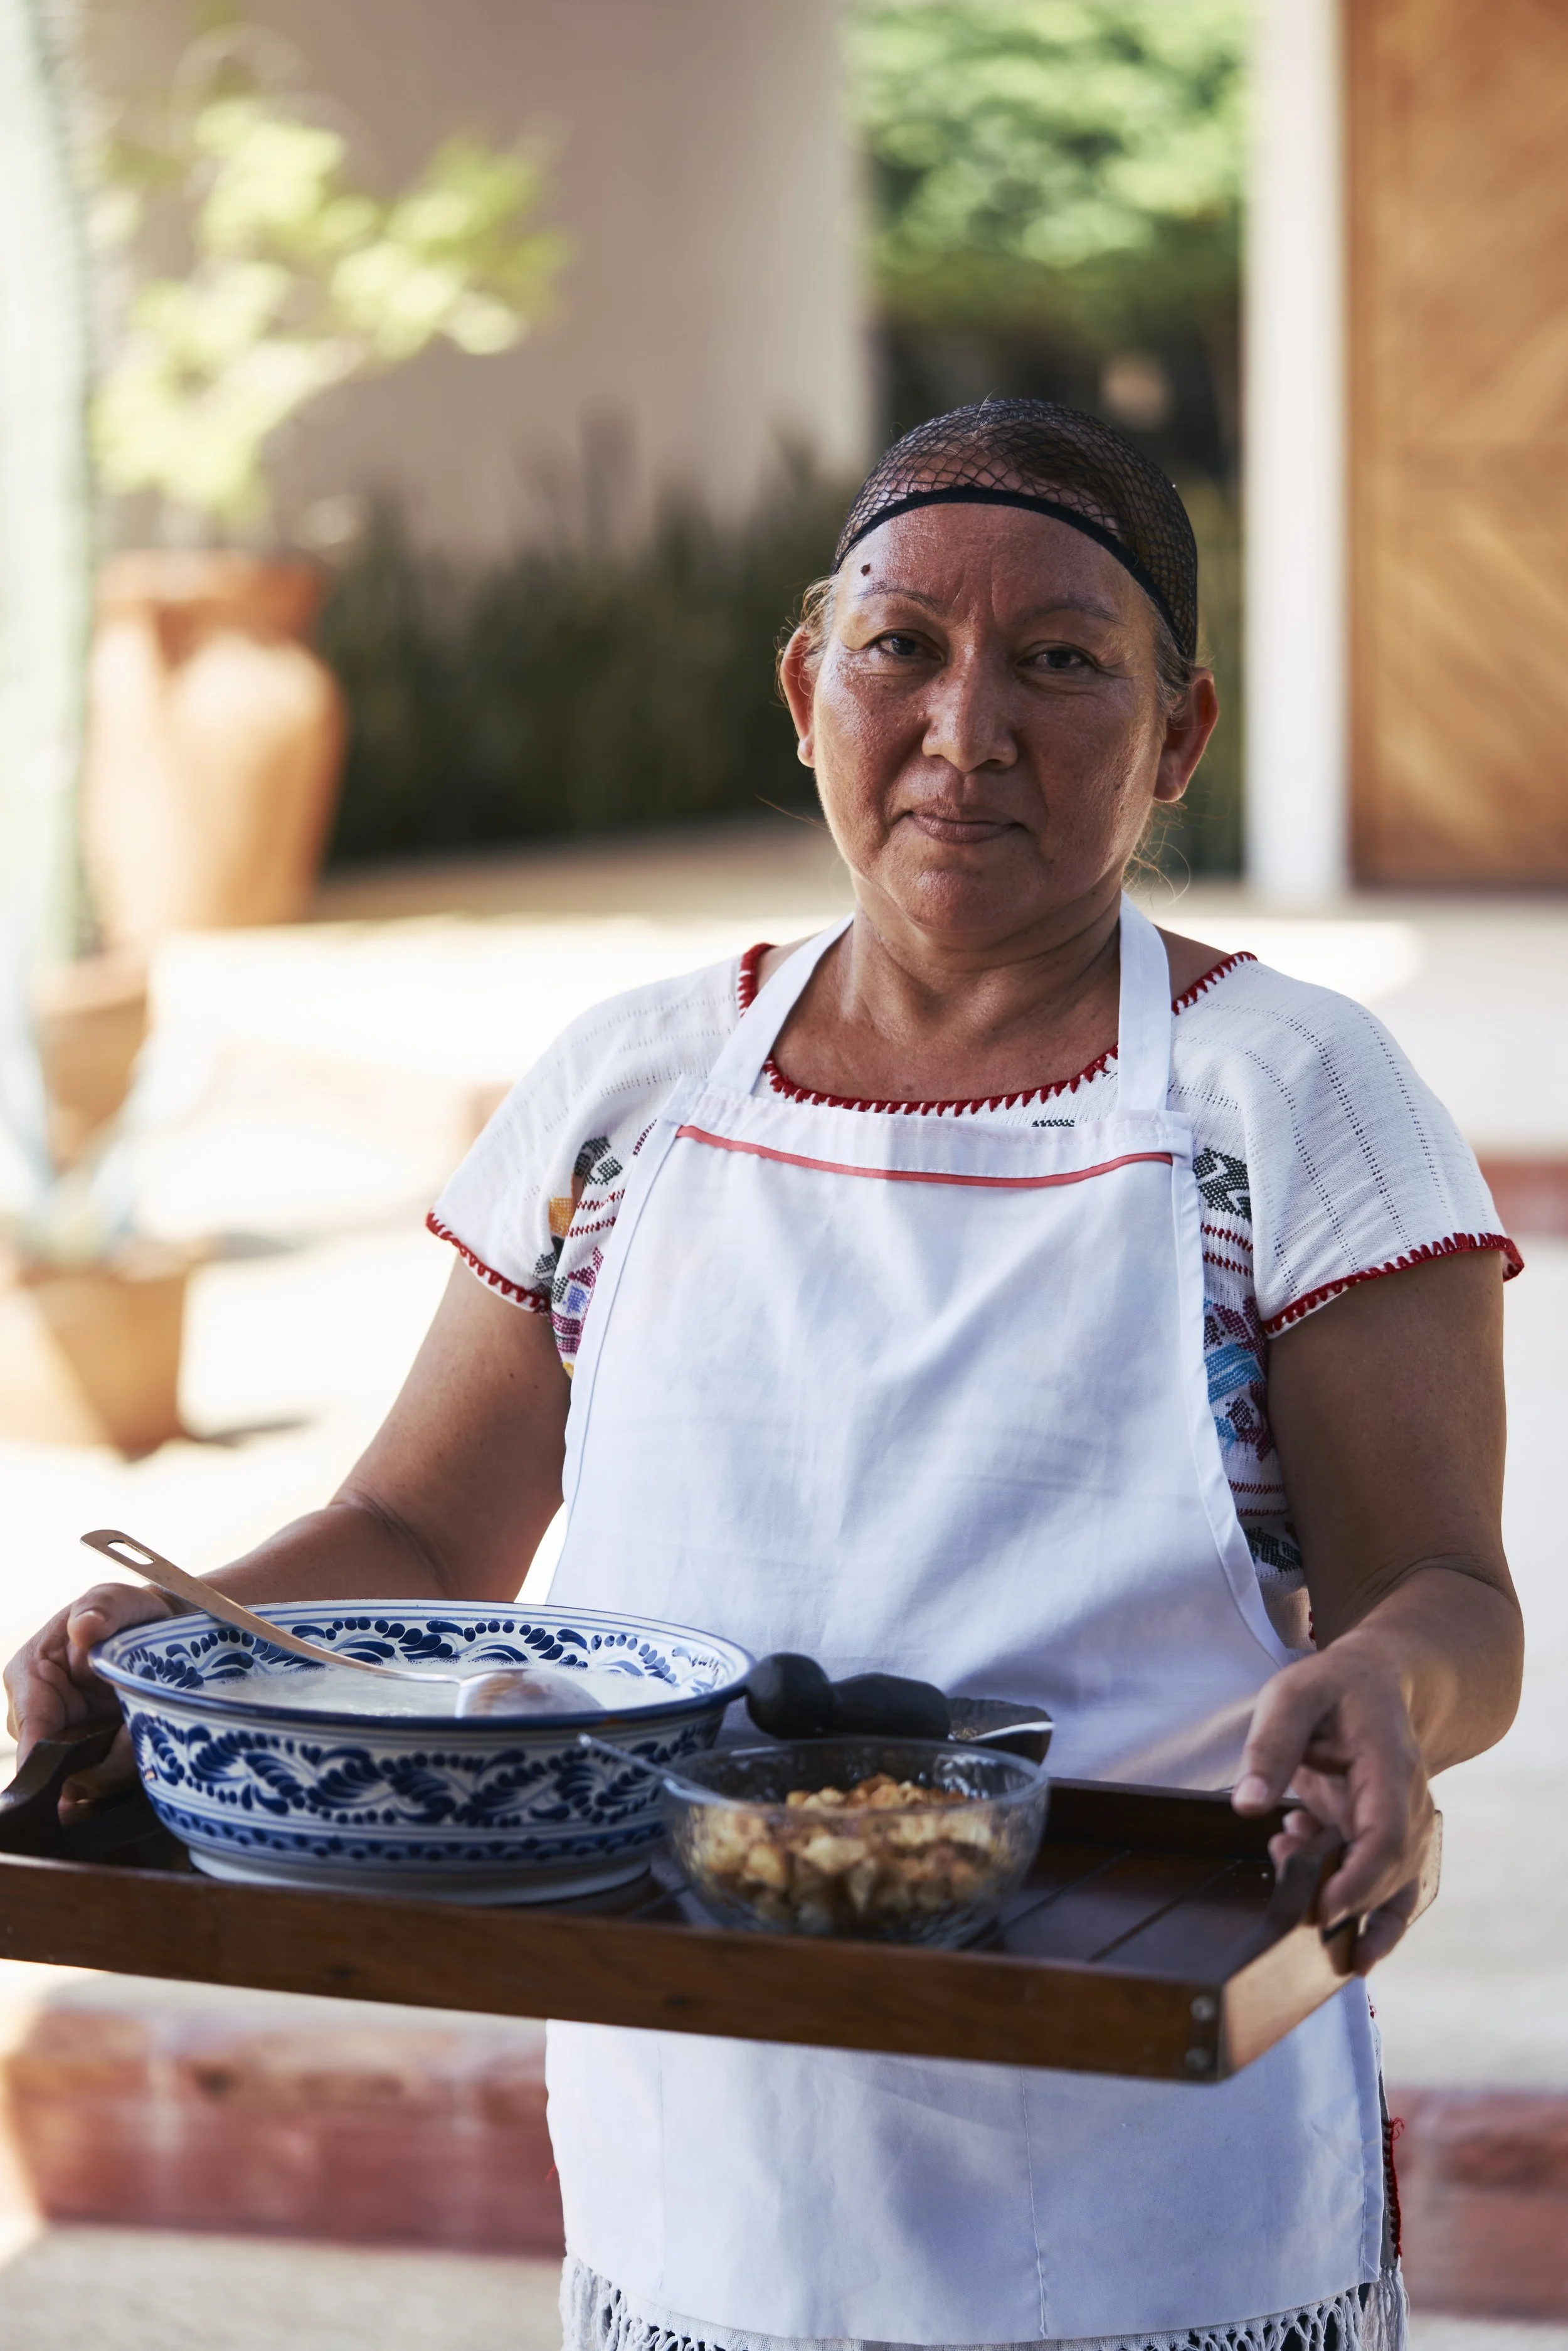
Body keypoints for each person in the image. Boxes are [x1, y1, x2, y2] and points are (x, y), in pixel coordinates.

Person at [7, 401, 1523, 2351]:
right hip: (699, 2176)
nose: (966, 728)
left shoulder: (1291, 1099)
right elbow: (418, 1529)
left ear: (1178, 734)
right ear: (810, 688)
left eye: (1061, 659)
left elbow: (1448, 1595)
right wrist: (179, 1643)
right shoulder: (632, 1089)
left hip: (1151, 2202)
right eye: (903, 645)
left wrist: (1391, 1687)